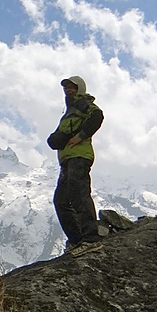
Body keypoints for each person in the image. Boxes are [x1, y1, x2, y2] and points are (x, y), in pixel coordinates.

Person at [47, 76, 104, 250]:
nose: (68, 90)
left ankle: (90, 237)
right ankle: (77, 240)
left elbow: (97, 116)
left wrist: (80, 136)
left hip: (79, 157)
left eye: (72, 87)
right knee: (61, 201)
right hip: (67, 160)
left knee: (78, 194)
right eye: (66, 88)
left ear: (80, 88)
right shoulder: (70, 110)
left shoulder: (82, 104)